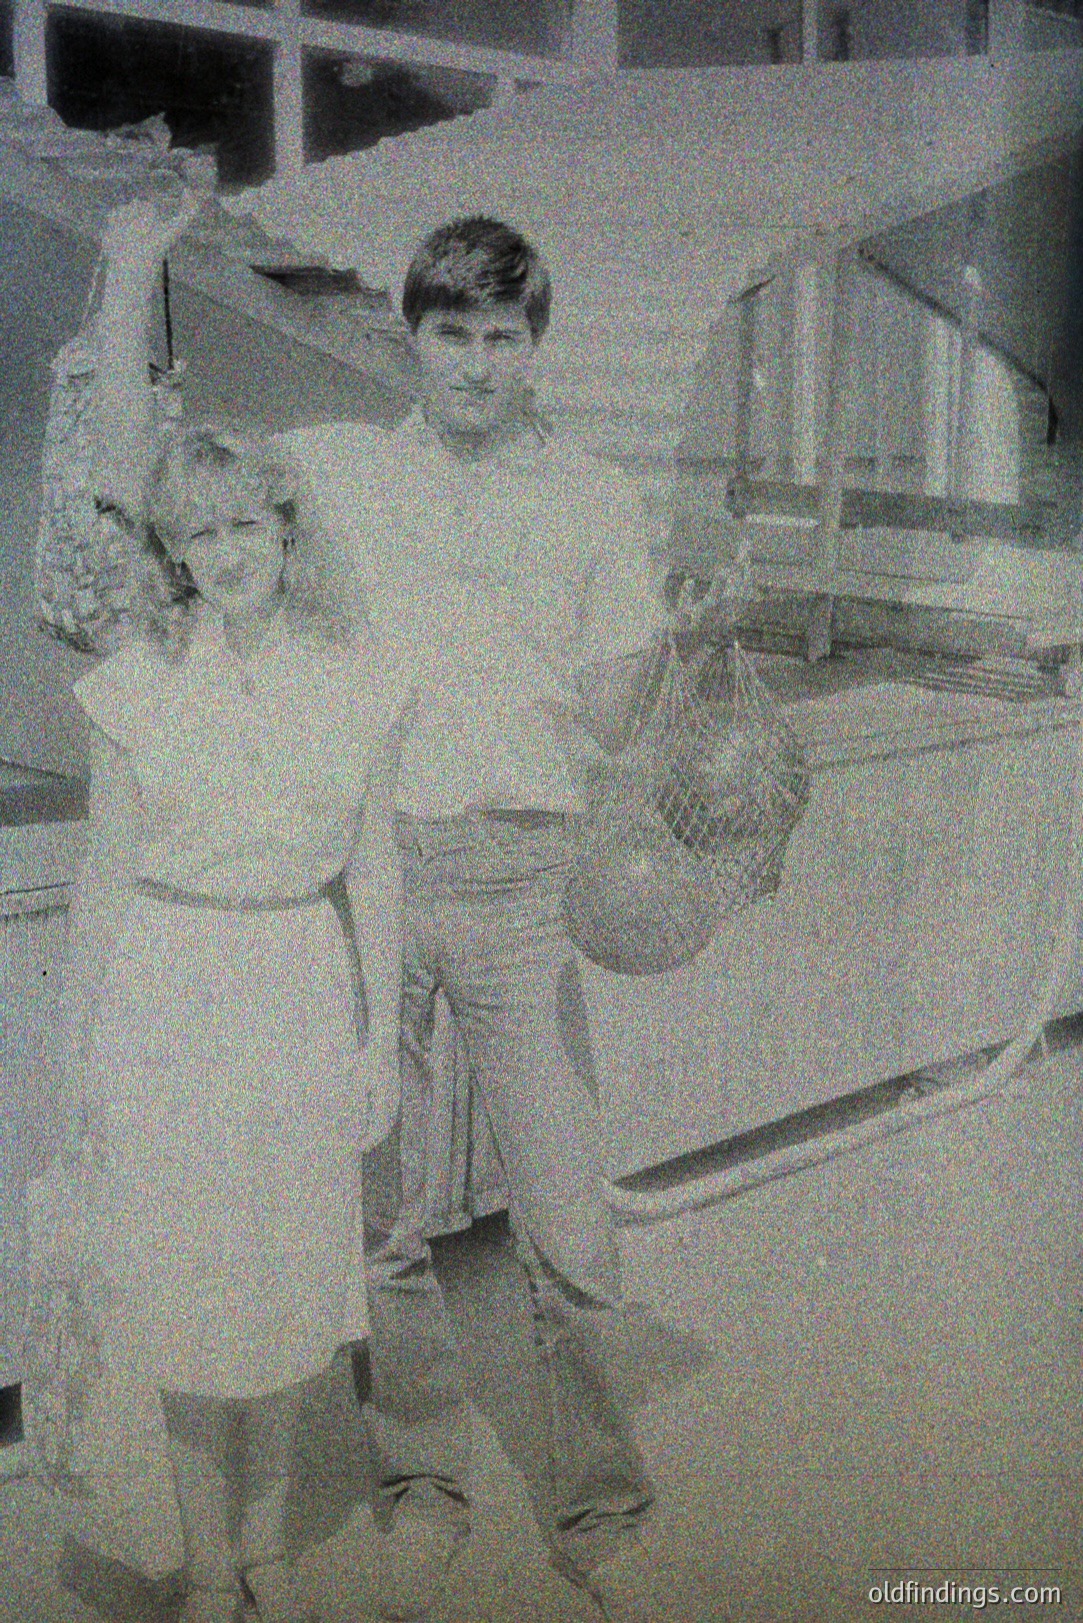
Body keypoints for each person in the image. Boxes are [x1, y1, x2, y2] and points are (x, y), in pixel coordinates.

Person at [279, 216, 712, 1623]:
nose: (475, 364)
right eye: (451, 336)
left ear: (535, 350)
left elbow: (616, 704)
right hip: (379, 871)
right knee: (382, 1213)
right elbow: (195, 504)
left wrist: (668, 646)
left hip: (527, 882)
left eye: (501, 338)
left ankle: (603, 1515)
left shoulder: (592, 496)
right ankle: (422, 1488)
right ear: (412, 340)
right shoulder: (339, 475)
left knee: (570, 1223)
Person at [23, 191, 414, 1623]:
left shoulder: (358, 672)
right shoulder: (144, 667)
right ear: (176, 549)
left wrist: (379, 1045)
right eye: (205, 532)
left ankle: (260, 1553)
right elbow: (103, 877)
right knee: (187, 1307)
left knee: (291, 1305)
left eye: (251, 520)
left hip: (300, 991)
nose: (230, 548)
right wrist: (78, 1055)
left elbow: (373, 866)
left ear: (283, 529)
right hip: (170, 996)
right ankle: (203, 1569)